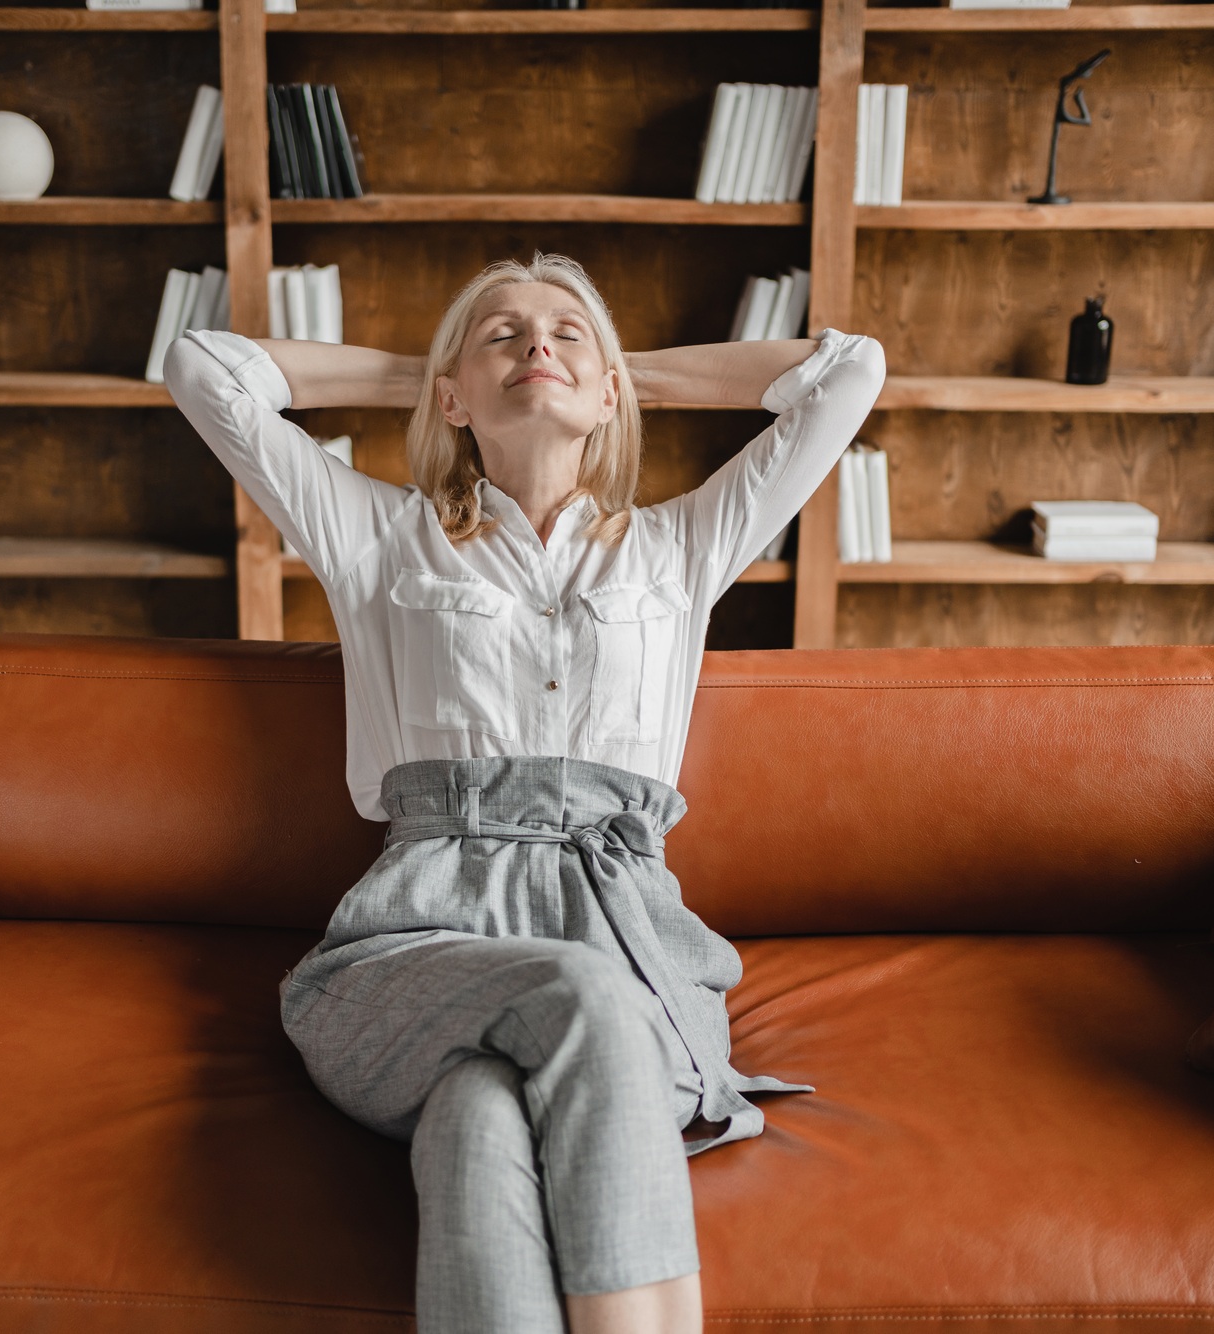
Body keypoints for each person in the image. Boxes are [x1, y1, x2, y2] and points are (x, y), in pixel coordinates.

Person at [166, 253, 884, 1334]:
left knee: (478, 1115)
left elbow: (846, 373)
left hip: (624, 933)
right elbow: (203, 365)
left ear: (611, 395)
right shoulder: (377, 538)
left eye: (564, 333)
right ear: (450, 399)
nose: (535, 344)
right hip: (409, 949)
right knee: (578, 997)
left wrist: (603, 367)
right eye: (500, 333)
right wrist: (437, 365)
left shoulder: (679, 549)